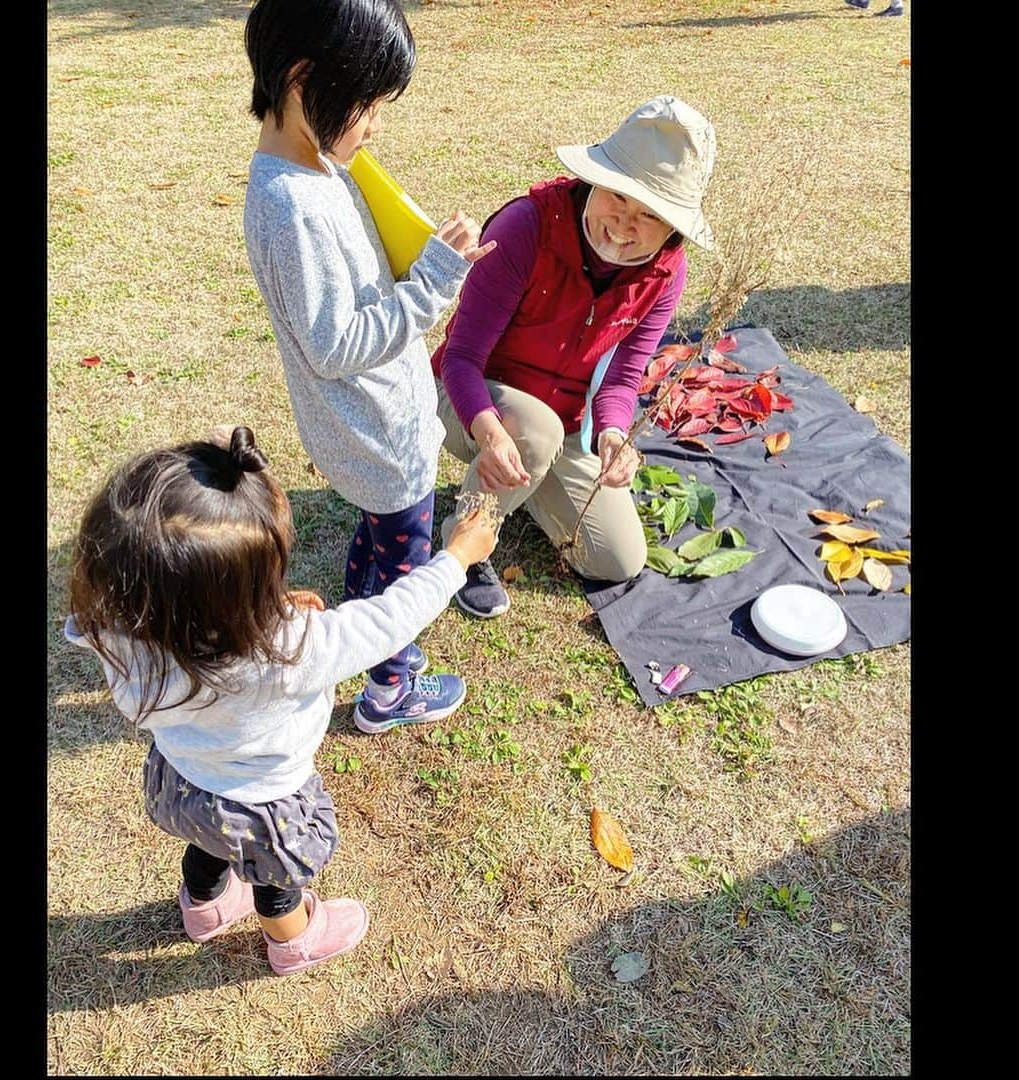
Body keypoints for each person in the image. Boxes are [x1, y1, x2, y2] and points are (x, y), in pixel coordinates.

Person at [65, 426, 495, 976]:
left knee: (208, 843)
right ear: (233, 600)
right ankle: (294, 941)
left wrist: (254, 611)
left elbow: (188, 609)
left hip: (182, 781)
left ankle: (203, 908)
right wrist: (456, 557)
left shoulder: (121, 631)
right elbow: (390, 621)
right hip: (264, 805)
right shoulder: (294, 648)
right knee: (277, 882)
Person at [242, 0, 496, 728]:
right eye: (368, 103)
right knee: (406, 564)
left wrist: (415, 250)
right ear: (303, 79)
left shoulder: (311, 171)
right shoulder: (293, 207)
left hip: (369, 429)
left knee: (380, 544)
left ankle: (355, 618)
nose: (375, 122)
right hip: (377, 434)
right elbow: (335, 344)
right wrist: (433, 285)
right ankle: (390, 686)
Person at [431, 96, 716, 618]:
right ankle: (463, 546)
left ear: (673, 230)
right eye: (618, 197)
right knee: (532, 433)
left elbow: (624, 378)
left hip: (565, 422)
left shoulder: (668, 273)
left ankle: (526, 478)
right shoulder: (526, 228)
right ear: (594, 183)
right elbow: (462, 357)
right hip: (468, 398)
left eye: (650, 216)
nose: (625, 225)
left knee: (618, 558)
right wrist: (491, 432)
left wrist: (611, 433)